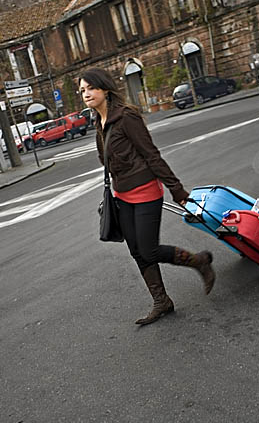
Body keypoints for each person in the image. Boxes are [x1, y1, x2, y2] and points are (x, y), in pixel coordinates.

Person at [78, 67, 216, 326]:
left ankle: (199, 262)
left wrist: (177, 190)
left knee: (149, 250)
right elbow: (104, 160)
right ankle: (161, 301)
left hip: (145, 192)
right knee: (137, 252)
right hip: (121, 195)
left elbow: (151, 154)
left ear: (105, 89)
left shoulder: (127, 117)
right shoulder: (99, 122)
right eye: (82, 90)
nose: (86, 94)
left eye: (91, 88)